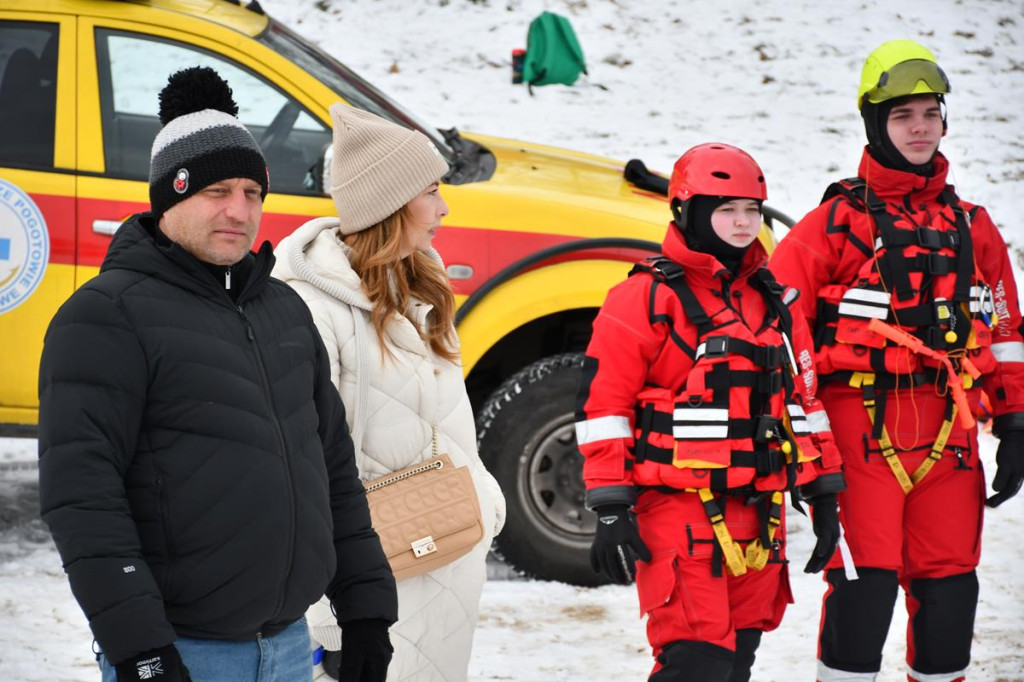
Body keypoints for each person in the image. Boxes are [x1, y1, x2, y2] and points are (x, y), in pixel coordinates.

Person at [37, 67, 398, 682]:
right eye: (216, 191)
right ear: (170, 196)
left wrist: (365, 607)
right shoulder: (106, 315)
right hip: (184, 652)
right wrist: (140, 649)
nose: (239, 211)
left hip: (287, 645)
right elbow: (83, 498)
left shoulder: (283, 307)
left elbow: (333, 467)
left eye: (252, 193)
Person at [769, 40, 1024, 682]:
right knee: (864, 589)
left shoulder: (973, 226)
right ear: (875, 124)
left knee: (949, 594)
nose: (918, 127)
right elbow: (778, 331)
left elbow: (1005, 333)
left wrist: (1017, 422)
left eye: (929, 113)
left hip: (950, 432)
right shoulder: (831, 225)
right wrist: (807, 448)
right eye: (902, 115)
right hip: (862, 430)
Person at [575, 143, 846, 682]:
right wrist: (609, 503)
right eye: (726, 210)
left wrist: (823, 489)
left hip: (758, 510)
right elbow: (604, 405)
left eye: (752, 210)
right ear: (689, 211)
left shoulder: (775, 302)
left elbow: (804, 402)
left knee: (736, 663)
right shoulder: (643, 299)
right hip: (679, 508)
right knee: (696, 664)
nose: (743, 223)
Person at [272, 105, 506, 682]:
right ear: (389, 204)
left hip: (444, 567)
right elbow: (303, 474)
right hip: (372, 593)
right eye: (431, 191)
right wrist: (331, 622)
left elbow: (446, 425)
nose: (445, 207)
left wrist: (483, 499)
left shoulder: (420, 282)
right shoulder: (309, 307)